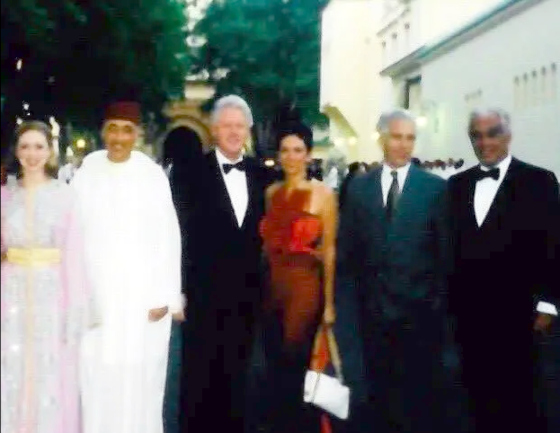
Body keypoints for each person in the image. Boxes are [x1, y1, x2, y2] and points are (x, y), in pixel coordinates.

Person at [72, 101, 183, 433]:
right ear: (102, 132)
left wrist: (165, 295)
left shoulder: (151, 176)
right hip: (96, 295)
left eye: (126, 130)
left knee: (139, 379)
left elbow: (168, 237)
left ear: (137, 134)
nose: (119, 138)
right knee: (96, 374)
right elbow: (71, 235)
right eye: (112, 129)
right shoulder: (86, 173)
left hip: (141, 298)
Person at [337, 109, 450, 433]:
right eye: (397, 137)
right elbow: (347, 256)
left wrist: (435, 309)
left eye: (410, 138)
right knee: (374, 402)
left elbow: (444, 256)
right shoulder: (359, 188)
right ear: (382, 138)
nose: (403, 145)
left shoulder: (435, 189)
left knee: (414, 404)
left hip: (418, 318)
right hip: (370, 318)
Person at [447, 108, 559, 433]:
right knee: (474, 398)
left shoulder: (539, 181)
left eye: (492, 134)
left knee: (522, 399)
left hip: (521, 313)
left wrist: (548, 304)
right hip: (468, 316)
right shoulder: (456, 185)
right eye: (476, 136)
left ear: (508, 135)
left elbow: (554, 243)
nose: (484, 142)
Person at [174, 95, 268, 433]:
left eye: (240, 126)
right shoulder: (188, 173)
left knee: (240, 378)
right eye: (227, 125)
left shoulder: (264, 176)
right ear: (213, 130)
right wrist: (177, 290)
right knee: (200, 378)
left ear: (248, 131)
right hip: (202, 295)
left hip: (248, 297)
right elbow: (176, 236)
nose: (233, 132)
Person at [1, 121, 93, 433]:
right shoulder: (4, 196)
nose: (32, 154)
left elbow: (75, 255)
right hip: (10, 294)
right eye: (25, 146)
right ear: (16, 151)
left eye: (39, 146)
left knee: (50, 369)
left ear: (50, 151)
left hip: (51, 295)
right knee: (11, 365)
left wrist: (76, 308)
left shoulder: (65, 197)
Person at [259, 121, 337, 433]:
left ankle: (300, 424)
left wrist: (329, 304)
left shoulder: (324, 195)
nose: (291, 157)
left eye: (298, 150)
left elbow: (329, 250)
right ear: (279, 155)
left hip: (305, 287)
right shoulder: (271, 193)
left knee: (298, 359)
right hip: (272, 286)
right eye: (286, 150)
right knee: (275, 360)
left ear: (308, 154)